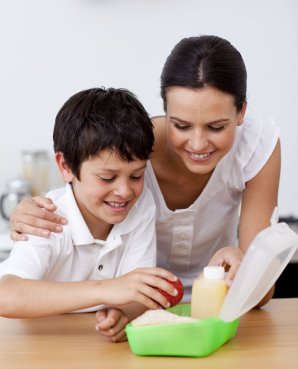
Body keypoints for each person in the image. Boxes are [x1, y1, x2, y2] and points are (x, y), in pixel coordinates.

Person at [10, 35, 280, 307]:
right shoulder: (131, 150)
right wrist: (24, 212)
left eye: (216, 127)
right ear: (164, 110)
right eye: (181, 125)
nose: (198, 144)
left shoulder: (255, 145)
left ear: (241, 112)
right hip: (141, 308)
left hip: (209, 305)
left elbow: (260, 293)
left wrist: (244, 266)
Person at [0, 87, 180, 342]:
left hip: (90, 347)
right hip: (34, 345)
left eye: (137, 175)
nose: (124, 191)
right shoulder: (47, 218)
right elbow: (6, 296)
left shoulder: (141, 207)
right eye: (107, 177)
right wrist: (106, 290)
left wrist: (123, 313)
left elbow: (136, 293)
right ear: (66, 167)